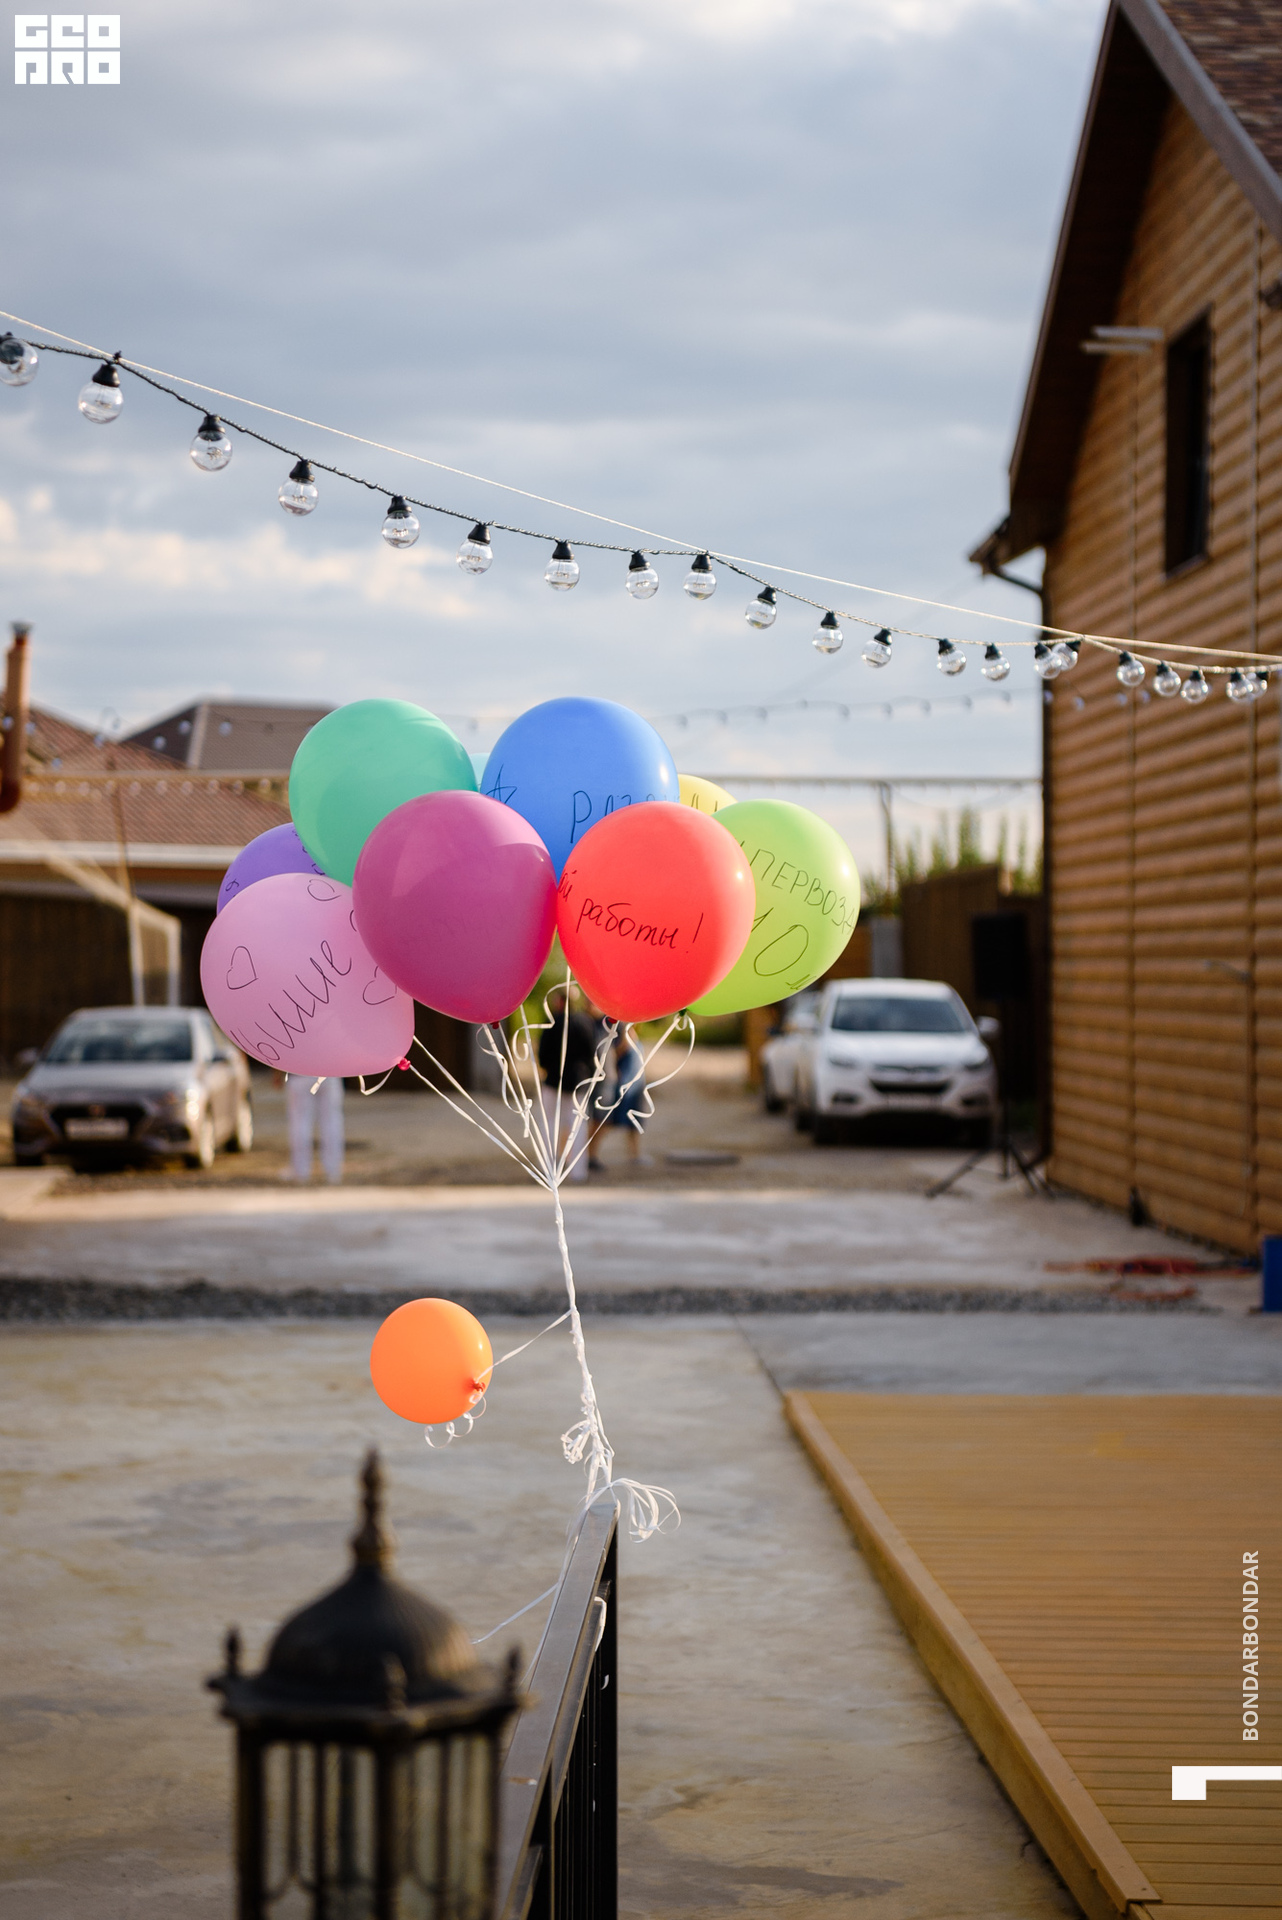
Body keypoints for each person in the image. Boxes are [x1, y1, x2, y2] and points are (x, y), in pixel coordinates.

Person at [538, 987, 597, 1182]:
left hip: (554, 1080)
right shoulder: (586, 1022)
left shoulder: (552, 1022)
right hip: (579, 1081)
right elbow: (592, 1053)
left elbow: (543, 1055)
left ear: (560, 1001)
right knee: (577, 1127)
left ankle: (548, 1168)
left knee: (549, 1125)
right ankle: (578, 1171)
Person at [283, 1072, 345, 1184]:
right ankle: (333, 1169)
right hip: (329, 1073)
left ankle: (300, 1170)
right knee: (331, 1122)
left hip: (299, 1073)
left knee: (300, 1122)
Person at [607, 1026, 648, 1165]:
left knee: (634, 1123)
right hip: (627, 1085)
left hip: (636, 1085)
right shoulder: (625, 1032)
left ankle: (635, 1154)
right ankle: (589, 1152)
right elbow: (617, 1053)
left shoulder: (631, 1032)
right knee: (608, 1122)